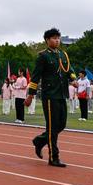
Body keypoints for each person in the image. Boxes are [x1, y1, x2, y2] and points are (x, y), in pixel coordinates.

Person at [26, 28, 72, 167]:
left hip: (62, 94)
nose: (57, 40)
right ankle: (53, 157)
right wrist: (30, 95)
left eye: (58, 37)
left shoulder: (63, 55)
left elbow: (70, 70)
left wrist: (73, 78)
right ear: (47, 40)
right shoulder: (43, 56)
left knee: (61, 125)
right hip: (50, 95)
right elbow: (35, 77)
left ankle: (40, 141)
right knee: (52, 127)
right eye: (53, 38)